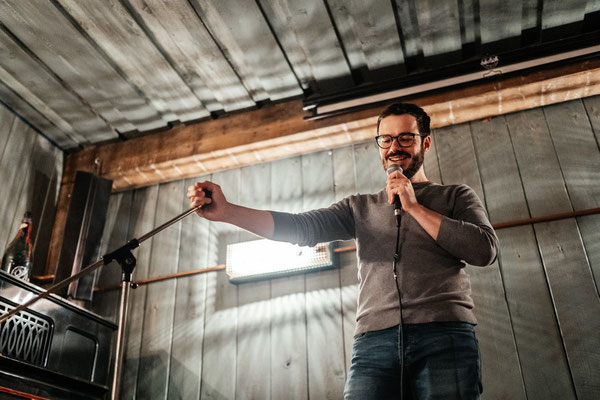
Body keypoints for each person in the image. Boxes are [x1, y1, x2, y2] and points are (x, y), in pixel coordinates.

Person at [187, 103, 498, 400]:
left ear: (425, 143)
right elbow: (301, 228)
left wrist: (414, 207)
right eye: (386, 139)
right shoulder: (359, 207)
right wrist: (227, 212)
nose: (394, 147)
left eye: (405, 138)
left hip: (444, 335)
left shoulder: (455, 196)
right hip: (375, 342)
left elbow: (484, 250)